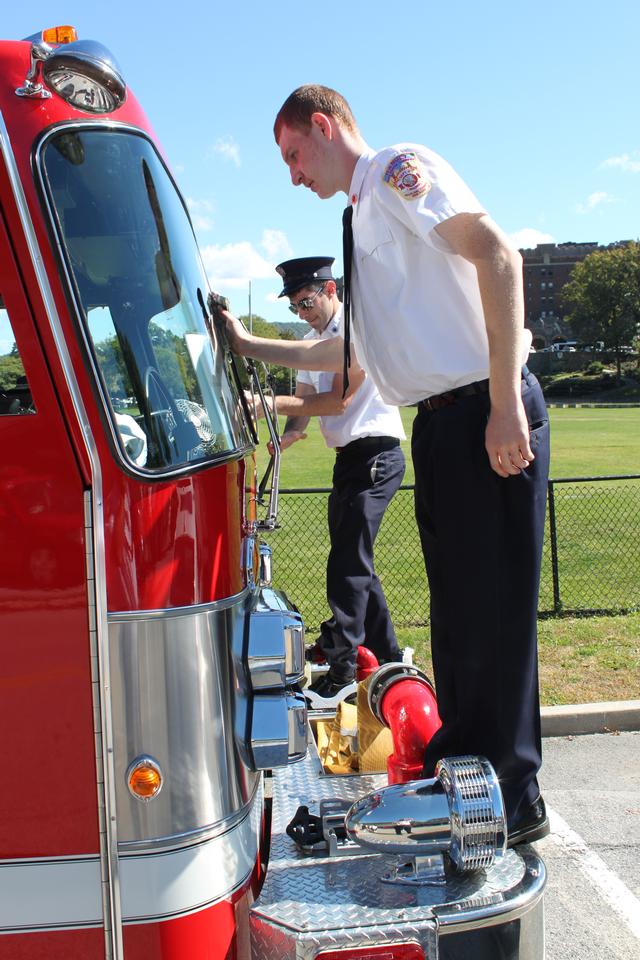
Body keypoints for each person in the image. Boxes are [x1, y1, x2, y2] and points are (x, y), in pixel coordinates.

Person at [224, 85, 550, 849]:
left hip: (480, 408)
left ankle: (512, 787)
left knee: (496, 608)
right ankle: (464, 756)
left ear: (325, 126)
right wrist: (247, 347)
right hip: (437, 424)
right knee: (460, 608)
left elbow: (495, 251)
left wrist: (504, 401)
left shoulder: (402, 169)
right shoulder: (358, 216)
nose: (294, 174)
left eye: (294, 153)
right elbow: (342, 356)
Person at [259, 255, 406, 708]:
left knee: (347, 560)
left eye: (306, 302)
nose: (303, 313)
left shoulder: (353, 331)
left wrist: (263, 401)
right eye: (295, 307)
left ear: (329, 290)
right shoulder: (311, 341)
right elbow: (304, 406)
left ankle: (341, 666)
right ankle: (388, 655)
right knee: (355, 560)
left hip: (377, 454)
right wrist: (287, 438)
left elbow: (336, 402)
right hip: (348, 460)